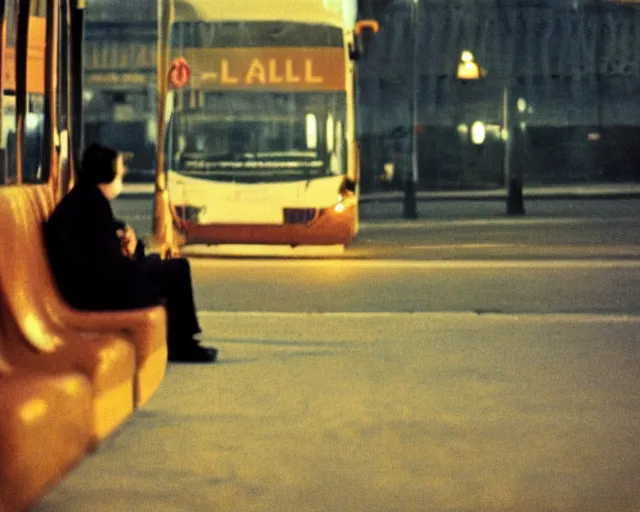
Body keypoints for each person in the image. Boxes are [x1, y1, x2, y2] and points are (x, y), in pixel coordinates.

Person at [44, 142, 217, 363]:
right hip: (96, 295)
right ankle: (183, 345)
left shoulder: (85, 201)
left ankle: (182, 342)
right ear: (106, 175)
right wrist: (136, 258)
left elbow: (104, 253)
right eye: (119, 170)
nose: (123, 173)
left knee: (166, 267)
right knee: (176, 270)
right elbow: (108, 267)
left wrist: (133, 250)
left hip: (94, 286)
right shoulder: (89, 208)